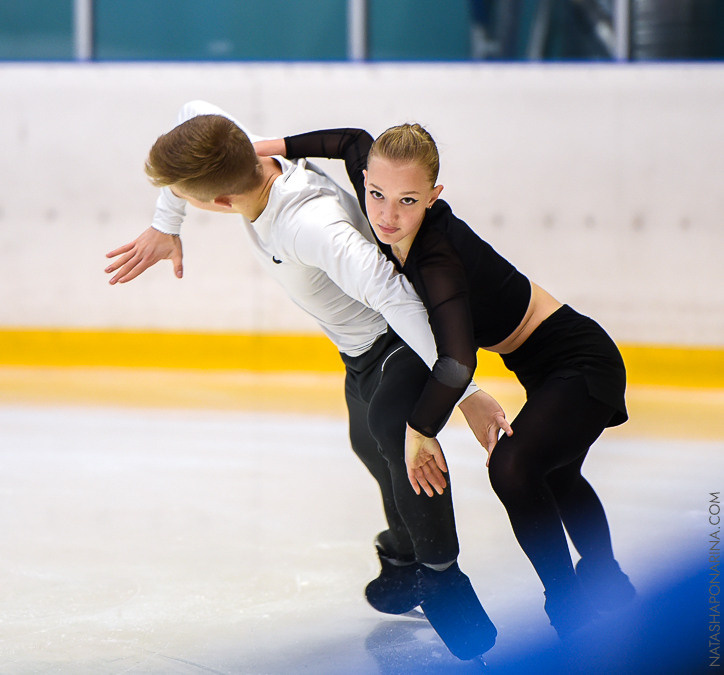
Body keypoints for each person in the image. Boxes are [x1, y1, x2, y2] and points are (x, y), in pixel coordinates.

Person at [105, 101, 506, 660]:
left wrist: (464, 393)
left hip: (398, 337)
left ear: (218, 204)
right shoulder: (228, 138)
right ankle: (406, 553)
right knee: (367, 443)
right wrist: (163, 223)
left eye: (186, 200)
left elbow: (393, 294)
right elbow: (191, 116)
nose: (181, 202)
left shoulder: (308, 225)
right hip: (357, 351)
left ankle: (441, 578)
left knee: (395, 437)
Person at [260, 126, 635, 638]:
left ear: (434, 198)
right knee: (557, 476)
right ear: (366, 179)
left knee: (514, 467)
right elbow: (350, 140)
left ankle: (567, 601)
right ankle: (608, 579)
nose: (387, 215)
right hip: (547, 366)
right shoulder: (382, 191)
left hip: (583, 363)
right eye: (376, 195)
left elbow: (456, 363)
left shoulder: (436, 259)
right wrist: (263, 148)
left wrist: (419, 429)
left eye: (408, 201)